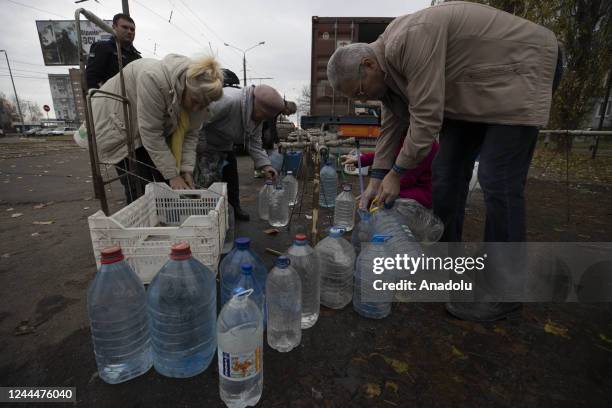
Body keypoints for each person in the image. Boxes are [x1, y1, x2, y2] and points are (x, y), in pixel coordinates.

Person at [326, 2, 562, 321]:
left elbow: (425, 118)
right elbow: (393, 124)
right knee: (446, 172)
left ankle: (505, 289)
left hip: (520, 71)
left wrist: (397, 173)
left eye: (360, 90)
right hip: (472, 90)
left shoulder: (409, 40)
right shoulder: (385, 72)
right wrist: (376, 178)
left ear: (368, 64)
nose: (363, 98)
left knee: (496, 177)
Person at [91, 54, 224, 203]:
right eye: (194, 102)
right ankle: (143, 223)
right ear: (186, 86)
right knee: (141, 187)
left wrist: (186, 170)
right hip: (117, 122)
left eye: (203, 105)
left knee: (167, 184)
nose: (196, 108)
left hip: (148, 128)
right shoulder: (153, 78)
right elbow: (151, 133)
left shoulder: (200, 94)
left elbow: (190, 134)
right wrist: (173, 176)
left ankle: (168, 219)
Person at [195, 84, 286, 221]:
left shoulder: (257, 116)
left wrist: (266, 165)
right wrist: (200, 151)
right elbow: (197, 123)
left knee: (231, 178)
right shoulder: (227, 101)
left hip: (225, 146)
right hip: (206, 146)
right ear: (256, 103)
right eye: (264, 114)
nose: (263, 119)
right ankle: (208, 217)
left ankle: (233, 208)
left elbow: (254, 141)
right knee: (209, 183)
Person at [341, 140, 439, 209]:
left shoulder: (421, 145)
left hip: (422, 193)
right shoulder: (404, 135)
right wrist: (361, 159)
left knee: (383, 199)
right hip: (407, 184)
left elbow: (403, 180)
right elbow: (389, 155)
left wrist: (375, 192)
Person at [86, 13, 141, 90]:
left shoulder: (137, 57)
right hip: (110, 98)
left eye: (132, 29)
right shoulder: (103, 47)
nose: (129, 32)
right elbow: (91, 78)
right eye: (125, 27)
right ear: (114, 27)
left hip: (132, 99)